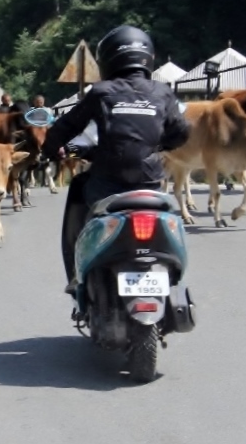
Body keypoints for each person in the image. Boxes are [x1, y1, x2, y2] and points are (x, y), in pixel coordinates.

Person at [41, 25, 191, 296]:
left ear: (108, 59)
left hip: (108, 182)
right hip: (150, 182)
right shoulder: (162, 92)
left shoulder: (101, 92)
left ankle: (77, 276)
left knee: (79, 197)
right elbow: (182, 133)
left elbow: (63, 129)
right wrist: (157, 145)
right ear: (148, 57)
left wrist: (53, 150)